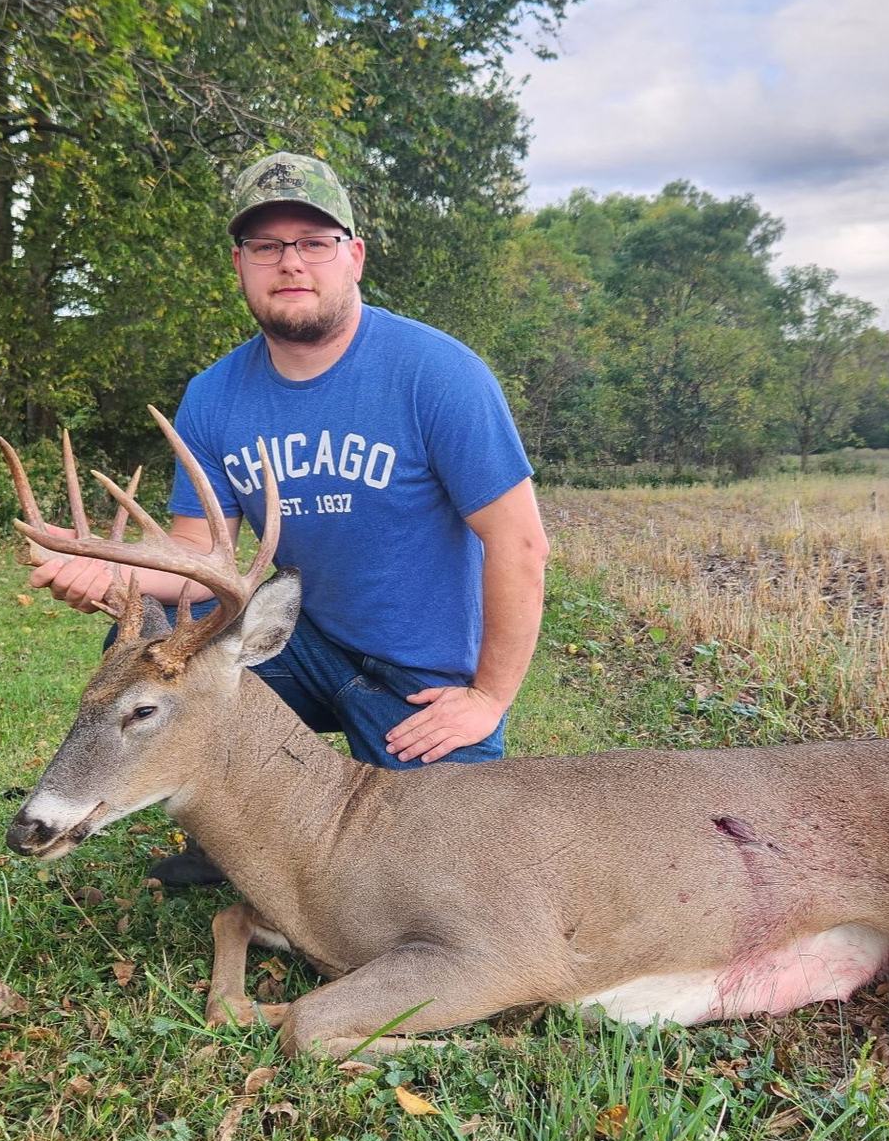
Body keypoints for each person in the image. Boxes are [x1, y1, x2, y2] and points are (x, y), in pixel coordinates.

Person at [30, 152, 550, 882]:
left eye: (314, 242)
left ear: (354, 257)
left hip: (422, 676)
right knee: (155, 635)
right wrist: (112, 575)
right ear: (240, 264)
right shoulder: (215, 395)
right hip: (299, 641)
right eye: (267, 246)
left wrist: (488, 698)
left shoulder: (436, 373)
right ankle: (226, 837)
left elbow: (519, 544)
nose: (291, 263)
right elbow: (195, 554)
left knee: (445, 872)